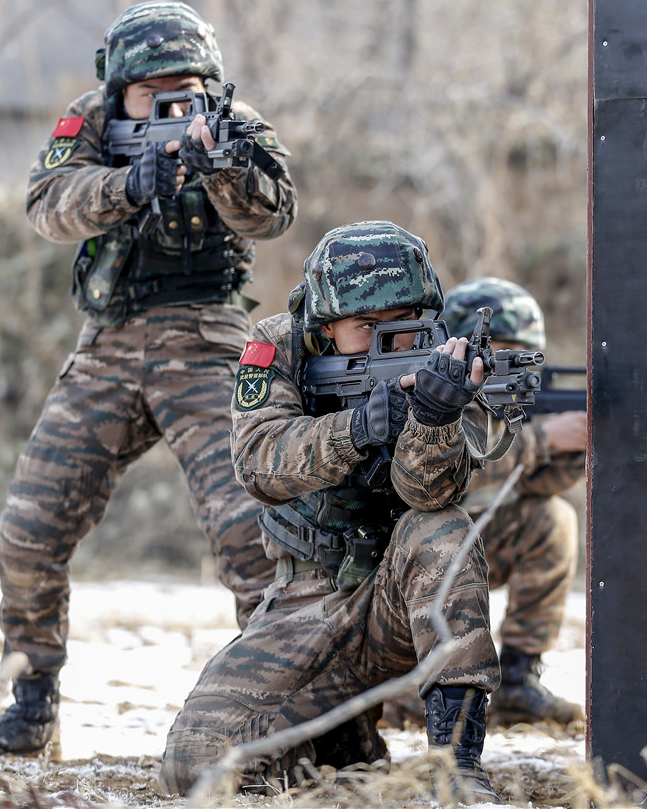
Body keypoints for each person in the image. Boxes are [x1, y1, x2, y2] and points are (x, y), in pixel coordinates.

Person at [0, 0, 298, 755]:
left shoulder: (234, 123)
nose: (169, 105)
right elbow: (46, 205)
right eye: (149, 94)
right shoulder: (90, 122)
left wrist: (224, 169)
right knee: (29, 529)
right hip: (110, 344)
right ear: (118, 91)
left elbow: (276, 214)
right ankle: (31, 694)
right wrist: (130, 182)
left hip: (208, 338)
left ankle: (276, 711)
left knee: (253, 531)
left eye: (184, 90)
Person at [159, 221, 503, 805]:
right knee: (194, 770)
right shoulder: (277, 347)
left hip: (401, 603)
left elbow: (430, 494)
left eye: (404, 322)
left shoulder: (445, 360)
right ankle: (341, 741)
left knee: (442, 530)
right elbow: (258, 462)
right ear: (324, 325)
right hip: (306, 599)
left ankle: (457, 767)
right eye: (366, 327)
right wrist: (359, 427)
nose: (391, 341)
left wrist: (434, 418)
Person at [442, 277, 587, 726]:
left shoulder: (512, 402)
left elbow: (530, 487)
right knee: (414, 705)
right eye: (500, 349)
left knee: (553, 519)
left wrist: (578, 451)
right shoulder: (433, 391)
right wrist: (543, 438)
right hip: (417, 554)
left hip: (476, 540)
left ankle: (520, 680)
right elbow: (449, 468)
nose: (509, 364)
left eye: (522, 353)